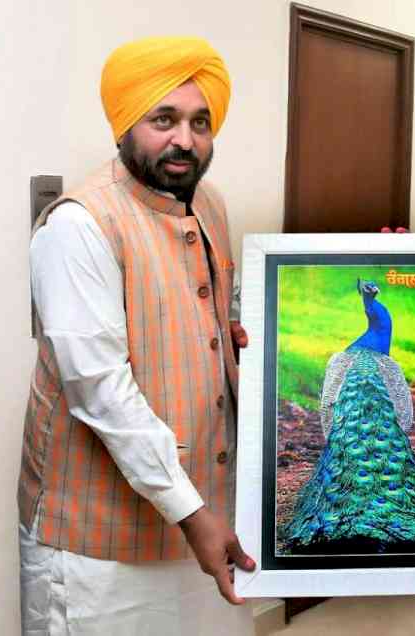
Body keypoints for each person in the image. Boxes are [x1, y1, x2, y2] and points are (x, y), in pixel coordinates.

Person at [18, 36, 255, 635]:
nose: (184, 139)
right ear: (125, 123)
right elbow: (101, 391)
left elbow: (213, 322)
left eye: (200, 122)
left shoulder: (210, 205)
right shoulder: (79, 224)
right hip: (100, 542)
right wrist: (193, 513)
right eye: (163, 119)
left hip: (207, 512)